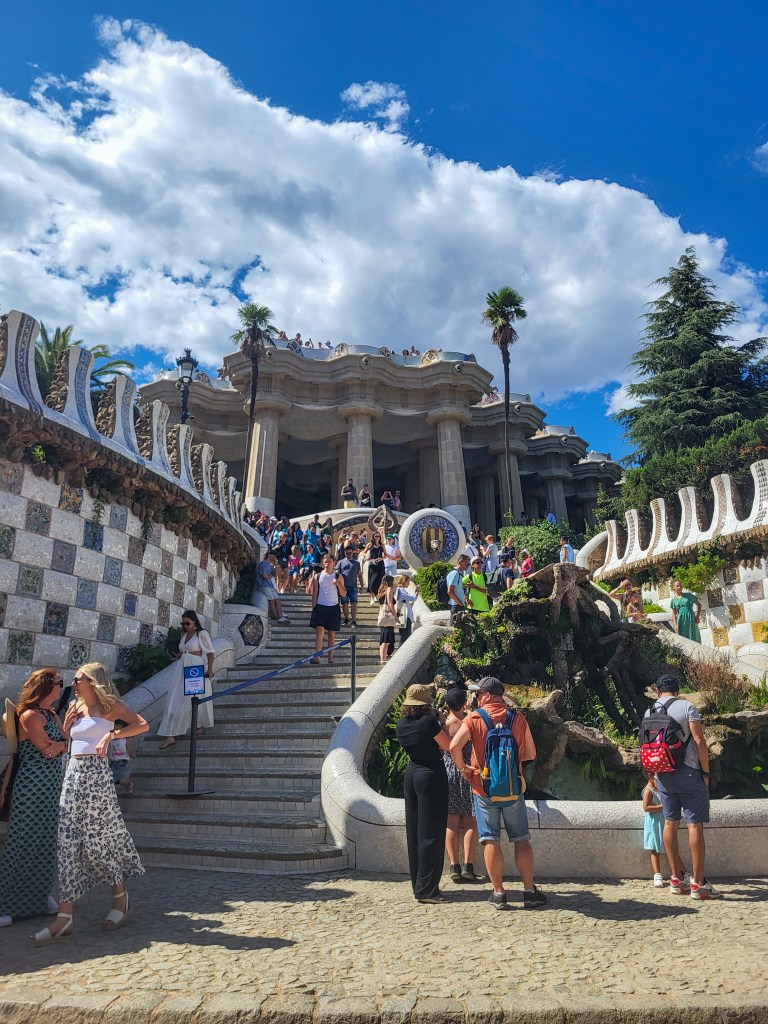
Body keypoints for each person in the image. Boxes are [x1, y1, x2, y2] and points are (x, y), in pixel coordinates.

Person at [30, 663, 148, 945]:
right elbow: (68, 744)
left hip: (98, 777)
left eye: (79, 679)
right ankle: (65, 916)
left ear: (94, 681)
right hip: (72, 776)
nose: (74, 682)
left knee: (100, 841)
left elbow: (142, 724)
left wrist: (113, 734)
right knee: (68, 842)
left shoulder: (112, 707)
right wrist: (67, 727)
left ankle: (120, 897)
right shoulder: (75, 707)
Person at [449, 677, 547, 911]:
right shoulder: (517, 717)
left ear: (486, 695)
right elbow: (530, 753)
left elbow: (453, 747)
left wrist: (464, 769)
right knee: (521, 838)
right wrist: (509, 768)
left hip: (483, 788)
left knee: (490, 839)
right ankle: (529, 891)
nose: (475, 697)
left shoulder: (474, 718)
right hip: (513, 789)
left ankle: (499, 893)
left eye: (478, 693)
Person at [0, 669, 66, 929]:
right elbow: (45, 748)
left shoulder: (50, 714)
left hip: (50, 786)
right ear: (48, 686)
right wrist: (61, 745)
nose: (62, 687)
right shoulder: (28, 715)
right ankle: (7, 903)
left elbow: (62, 742)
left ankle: (39, 897)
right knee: (22, 842)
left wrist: (61, 744)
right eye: (60, 683)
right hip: (31, 786)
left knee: (46, 842)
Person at [644, 674, 719, 900]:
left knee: (670, 822)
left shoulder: (649, 711)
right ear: (677, 691)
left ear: (658, 691)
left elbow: (645, 744)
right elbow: (698, 740)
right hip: (688, 772)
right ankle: (698, 884)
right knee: (695, 826)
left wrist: (652, 775)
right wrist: (705, 772)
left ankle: (676, 879)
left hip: (662, 775)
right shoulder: (687, 707)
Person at [395, 684, 451, 904]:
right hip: (431, 775)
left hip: (412, 774)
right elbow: (446, 745)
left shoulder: (401, 725)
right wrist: (443, 722)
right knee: (432, 832)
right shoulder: (430, 722)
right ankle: (428, 890)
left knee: (415, 830)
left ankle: (419, 885)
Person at [158, 610, 216, 749]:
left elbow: (210, 652)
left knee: (195, 695)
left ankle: (198, 724)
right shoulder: (184, 634)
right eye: (183, 623)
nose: (185, 625)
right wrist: (178, 656)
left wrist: (210, 669)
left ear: (194, 621)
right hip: (183, 667)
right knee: (176, 696)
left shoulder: (202, 634)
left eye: (187, 623)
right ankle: (171, 733)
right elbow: (184, 650)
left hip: (195, 667)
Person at [441, 687, 481, 884]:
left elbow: (444, 747)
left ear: (447, 704)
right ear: (464, 703)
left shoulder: (444, 724)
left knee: (452, 822)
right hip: (468, 771)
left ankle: (454, 866)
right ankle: (468, 866)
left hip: (449, 771)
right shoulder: (469, 721)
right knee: (471, 822)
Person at [309, 554, 346, 665]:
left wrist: (338, 584)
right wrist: (314, 607)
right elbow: (314, 593)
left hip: (333, 606)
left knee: (331, 634)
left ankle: (330, 658)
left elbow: (344, 594)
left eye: (329, 561)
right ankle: (317, 656)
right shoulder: (318, 576)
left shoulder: (338, 576)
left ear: (333, 562)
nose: (327, 563)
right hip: (320, 606)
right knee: (319, 630)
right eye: (325, 561)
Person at [642, 771, 665, 887]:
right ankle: (657, 874)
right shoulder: (648, 790)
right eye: (657, 779)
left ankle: (682, 873)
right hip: (654, 823)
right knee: (655, 848)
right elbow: (645, 807)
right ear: (650, 777)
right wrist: (662, 807)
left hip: (662, 821)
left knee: (670, 846)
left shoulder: (657, 789)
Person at [256, 552, 289, 622]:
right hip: (264, 585)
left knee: (277, 599)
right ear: (269, 555)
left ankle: (281, 616)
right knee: (272, 600)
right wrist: (269, 576)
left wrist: (276, 565)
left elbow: (275, 575)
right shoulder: (263, 563)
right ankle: (278, 618)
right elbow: (264, 576)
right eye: (273, 555)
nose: (274, 556)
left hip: (270, 585)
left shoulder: (270, 565)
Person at [336, 546, 364, 627]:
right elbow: (337, 574)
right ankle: (346, 618)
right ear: (345, 553)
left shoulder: (356, 563)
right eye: (347, 553)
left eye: (350, 553)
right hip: (343, 586)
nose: (348, 554)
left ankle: (353, 620)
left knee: (354, 603)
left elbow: (359, 575)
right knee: (344, 603)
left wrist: (362, 586)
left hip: (353, 586)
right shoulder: (340, 562)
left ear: (352, 552)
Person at [376, 575, 398, 664]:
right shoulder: (389, 589)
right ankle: (383, 660)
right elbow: (389, 603)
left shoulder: (381, 591)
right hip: (388, 618)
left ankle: (383, 659)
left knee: (384, 640)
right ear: (390, 582)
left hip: (383, 618)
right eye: (392, 581)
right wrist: (395, 616)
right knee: (386, 641)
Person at [394, 574, 418, 645]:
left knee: (404, 636)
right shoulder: (401, 590)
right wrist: (417, 591)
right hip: (405, 617)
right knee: (405, 637)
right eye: (408, 582)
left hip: (405, 616)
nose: (409, 584)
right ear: (404, 581)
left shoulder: (400, 590)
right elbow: (413, 598)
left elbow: (409, 601)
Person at [446, 554, 471, 621]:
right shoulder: (455, 573)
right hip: (456, 606)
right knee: (455, 628)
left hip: (457, 605)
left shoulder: (459, 573)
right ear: (460, 562)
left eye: (469, 564)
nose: (468, 566)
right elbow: (450, 591)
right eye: (466, 564)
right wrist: (460, 603)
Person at [365, 531, 386, 605]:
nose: (377, 538)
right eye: (375, 536)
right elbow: (364, 553)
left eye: (378, 536)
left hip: (380, 565)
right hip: (372, 565)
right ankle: (371, 597)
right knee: (372, 581)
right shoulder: (369, 545)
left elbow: (386, 555)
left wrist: (381, 558)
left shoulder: (382, 546)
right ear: (373, 537)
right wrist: (367, 557)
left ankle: (377, 595)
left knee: (379, 581)